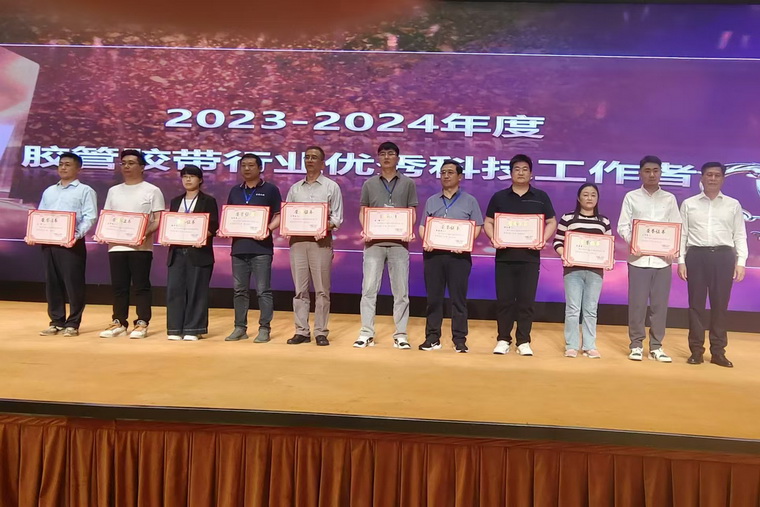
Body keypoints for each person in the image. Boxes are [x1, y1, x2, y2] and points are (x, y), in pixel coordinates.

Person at [484, 154, 557, 356]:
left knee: (526, 301)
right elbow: (488, 222)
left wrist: (542, 239)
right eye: (517, 169)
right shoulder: (499, 197)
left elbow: (552, 221)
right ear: (511, 173)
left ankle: (523, 341)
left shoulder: (540, 197)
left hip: (530, 258)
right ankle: (503, 339)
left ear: (531, 173)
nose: (521, 172)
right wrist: (494, 237)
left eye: (525, 169)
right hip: (504, 258)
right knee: (505, 300)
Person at [678, 162, 748, 368]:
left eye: (717, 175)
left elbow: (740, 234)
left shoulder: (733, 205)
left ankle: (718, 352)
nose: (713, 178)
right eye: (709, 174)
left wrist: (741, 261)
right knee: (696, 306)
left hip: (723, 257)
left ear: (723, 179)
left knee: (720, 306)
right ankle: (696, 351)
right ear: (702, 177)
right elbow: (682, 235)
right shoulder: (689, 204)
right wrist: (681, 261)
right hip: (696, 256)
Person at [354, 141, 418, 349]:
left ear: (397, 158)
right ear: (378, 158)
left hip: (399, 244)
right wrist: (366, 229)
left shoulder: (408, 183)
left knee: (401, 292)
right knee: (369, 289)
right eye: (382, 154)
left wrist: (408, 230)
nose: (387, 157)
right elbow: (364, 210)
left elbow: (412, 211)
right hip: (374, 243)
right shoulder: (369, 184)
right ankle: (366, 333)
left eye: (391, 154)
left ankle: (401, 334)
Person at [617, 155, 681, 362]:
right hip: (638, 260)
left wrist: (672, 248)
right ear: (640, 173)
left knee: (659, 307)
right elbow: (623, 226)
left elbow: (677, 226)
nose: (652, 174)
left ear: (661, 173)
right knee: (637, 305)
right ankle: (636, 345)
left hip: (663, 262)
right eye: (647, 171)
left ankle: (656, 347)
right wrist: (635, 242)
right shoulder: (631, 197)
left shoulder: (669, 199)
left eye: (655, 170)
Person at [27, 152, 97, 337]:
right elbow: (40, 215)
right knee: (52, 283)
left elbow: (90, 217)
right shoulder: (49, 191)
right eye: (60, 164)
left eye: (67, 164)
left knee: (73, 283)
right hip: (49, 243)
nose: (63, 168)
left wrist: (75, 235)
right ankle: (56, 321)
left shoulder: (85, 191)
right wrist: (34, 233)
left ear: (78, 168)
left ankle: (73, 323)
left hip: (72, 244)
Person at [417, 159, 483, 353]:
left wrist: (465, 243)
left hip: (459, 258)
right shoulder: (432, 200)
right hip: (434, 256)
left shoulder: (470, 200)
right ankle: (432, 337)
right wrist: (427, 241)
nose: (446, 176)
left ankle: (459, 339)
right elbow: (423, 226)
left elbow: (477, 226)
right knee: (434, 299)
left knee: (458, 299)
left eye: (450, 172)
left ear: (460, 177)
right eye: (443, 172)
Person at [99, 149, 165, 339]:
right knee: (119, 287)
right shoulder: (113, 191)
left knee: (141, 286)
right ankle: (119, 322)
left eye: (131, 163)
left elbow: (158, 219)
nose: (126, 166)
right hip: (116, 246)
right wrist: (104, 233)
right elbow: (108, 217)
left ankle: (142, 322)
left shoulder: (152, 190)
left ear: (142, 167)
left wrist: (143, 233)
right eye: (124, 163)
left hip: (141, 247)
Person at [282, 146, 344, 347]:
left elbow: (337, 218)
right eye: (307, 157)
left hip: (320, 242)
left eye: (314, 157)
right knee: (300, 290)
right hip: (297, 242)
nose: (310, 160)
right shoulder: (295, 188)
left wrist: (321, 226)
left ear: (322, 162)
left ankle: (320, 332)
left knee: (322, 290)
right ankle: (301, 331)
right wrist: (288, 226)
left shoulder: (331, 187)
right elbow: (288, 214)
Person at [220, 153, 282, 343]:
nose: (246, 169)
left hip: (261, 248)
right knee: (239, 290)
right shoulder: (235, 191)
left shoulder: (270, 190)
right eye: (243, 165)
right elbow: (230, 216)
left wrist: (267, 229)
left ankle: (264, 328)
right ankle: (240, 328)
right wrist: (225, 228)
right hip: (239, 248)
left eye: (251, 165)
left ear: (260, 168)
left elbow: (279, 215)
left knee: (263, 291)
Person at [553, 183, 612, 358]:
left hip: (595, 272)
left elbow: (608, 246)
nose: (589, 198)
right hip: (572, 271)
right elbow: (557, 241)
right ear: (579, 198)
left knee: (591, 309)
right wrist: (565, 255)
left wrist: (609, 258)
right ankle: (571, 345)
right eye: (585, 194)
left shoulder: (603, 221)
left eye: (593, 195)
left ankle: (589, 345)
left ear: (597, 198)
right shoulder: (568, 218)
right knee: (572, 309)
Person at [162, 165, 219, 341]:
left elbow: (213, 226)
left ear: (200, 180)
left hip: (198, 253)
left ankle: (194, 329)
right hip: (177, 252)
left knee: (197, 291)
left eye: (192, 176)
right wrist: (166, 235)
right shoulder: (176, 201)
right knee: (175, 290)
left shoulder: (208, 200)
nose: (188, 179)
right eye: (184, 176)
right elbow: (170, 224)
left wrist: (200, 236)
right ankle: (174, 329)